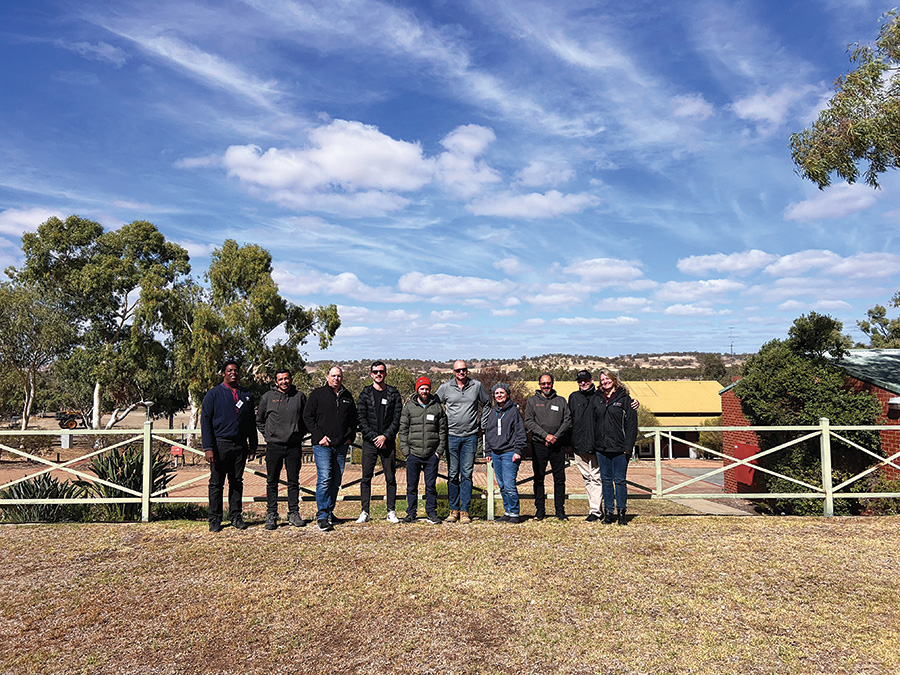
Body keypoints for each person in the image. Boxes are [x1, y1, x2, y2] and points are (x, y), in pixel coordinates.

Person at [201, 360, 258, 532]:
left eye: (235, 370)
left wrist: (253, 445)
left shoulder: (246, 395)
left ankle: (236, 516)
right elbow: (205, 422)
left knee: (236, 482)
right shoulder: (214, 394)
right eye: (229, 370)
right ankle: (215, 519)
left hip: (240, 447)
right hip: (220, 446)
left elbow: (250, 422)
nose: (233, 372)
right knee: (216, 484)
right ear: (223, 373)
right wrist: (208, 448)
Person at [303, 366, 357, 532]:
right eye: (333, 376)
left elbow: (353, 419)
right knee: (325, 478)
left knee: (336, 480)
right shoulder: (317, 395)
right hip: (322, 445)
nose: (336, 378)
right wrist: (319, 436)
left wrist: (350, 437)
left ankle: (329, 511)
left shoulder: (347, 396)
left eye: (339, 376)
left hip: (341, 446)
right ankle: (322, 515)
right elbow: (307, 417)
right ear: (327, 377)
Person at [435, 360, 490, 524]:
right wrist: (440, 426)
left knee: (466, 474)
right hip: (451, 436)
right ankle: (454, 511)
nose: (461, 373)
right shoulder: (445, 388)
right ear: (453, 372)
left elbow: (487, 403)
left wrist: (483, 424)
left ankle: (465, 511)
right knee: (452, 474)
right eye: (458, 370)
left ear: (467, 370)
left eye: (464, 370)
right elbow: (434, 405)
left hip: (470, 436)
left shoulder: (476, 385)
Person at [256, 369, 308, 530]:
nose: (284, 382)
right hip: (274, 446)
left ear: (291, 379)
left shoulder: (299, 397)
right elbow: (260, 420)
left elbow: (306, 419)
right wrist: (268, 435)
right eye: (281, 379)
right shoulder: (267, 398)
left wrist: (298, 434)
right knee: (272, 481)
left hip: (293, 446)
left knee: (293, 482)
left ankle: (293, 513)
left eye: (286, 379)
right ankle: (272, 514)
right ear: (276, 381)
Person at [355, 361, 402, 524]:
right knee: (366, 478)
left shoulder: (393, 393)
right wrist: (375, 437)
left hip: (387, 442)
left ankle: (391, 511)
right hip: (370, 443)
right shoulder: (365, 393)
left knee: (390, 477)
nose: (378, 374)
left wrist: (385, 436)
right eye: (375, 372)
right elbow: (361, 418)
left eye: (381, 371)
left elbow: (397, 418)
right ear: (371, 374)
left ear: (385, 373)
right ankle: (365, 511)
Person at [398, 376, 447, 525]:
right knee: (411, 486)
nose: (424, 391)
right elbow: (403, 430)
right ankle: (411, 513)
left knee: (430, 486)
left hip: (432, 455)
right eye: (422, 388)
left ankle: (431, 513)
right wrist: (406, 451)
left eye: (426, 388)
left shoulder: (437, 407)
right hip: (413, 454)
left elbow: (442, 431)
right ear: (417, 390)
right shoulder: (409, 407)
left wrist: (439, 452)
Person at [524, 373, 572, 521]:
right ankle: (540, 510)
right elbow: (529, 422)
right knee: (539, 478)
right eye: (543, 383)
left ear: (552, 383)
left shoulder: (561, 401)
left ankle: (560, 510)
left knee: (559, 479)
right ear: (539, 385)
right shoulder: (532, 402)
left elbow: (567, 420)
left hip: (558, 445)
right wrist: (546, 435)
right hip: (539, 445)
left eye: (548, 383)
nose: (546, 386)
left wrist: (555, 436)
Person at [594, 368, 638, 525]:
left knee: (619, 480)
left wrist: (628, 446)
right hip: (602, 448)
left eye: (607, 379)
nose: (605, 382)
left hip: (620, 448)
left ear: (614, 379)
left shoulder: (625, 399)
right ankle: (609, 513)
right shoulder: (597, 398)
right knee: (605, 480)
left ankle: (621, 513)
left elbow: (632, 426)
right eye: (602, 380)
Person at [483, 382, 527, 523]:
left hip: (510, 452)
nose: (499, 395)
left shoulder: (514, 411)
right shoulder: (493, 412)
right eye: (496, 393)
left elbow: (520, 432)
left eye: (502, 392)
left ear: (507, 394)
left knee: (509, 484)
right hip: (496, 453)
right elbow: (488, 432)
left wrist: (518, 451)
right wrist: (488, 451)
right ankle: (507, 511)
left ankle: (514, 513)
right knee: (501, 485)